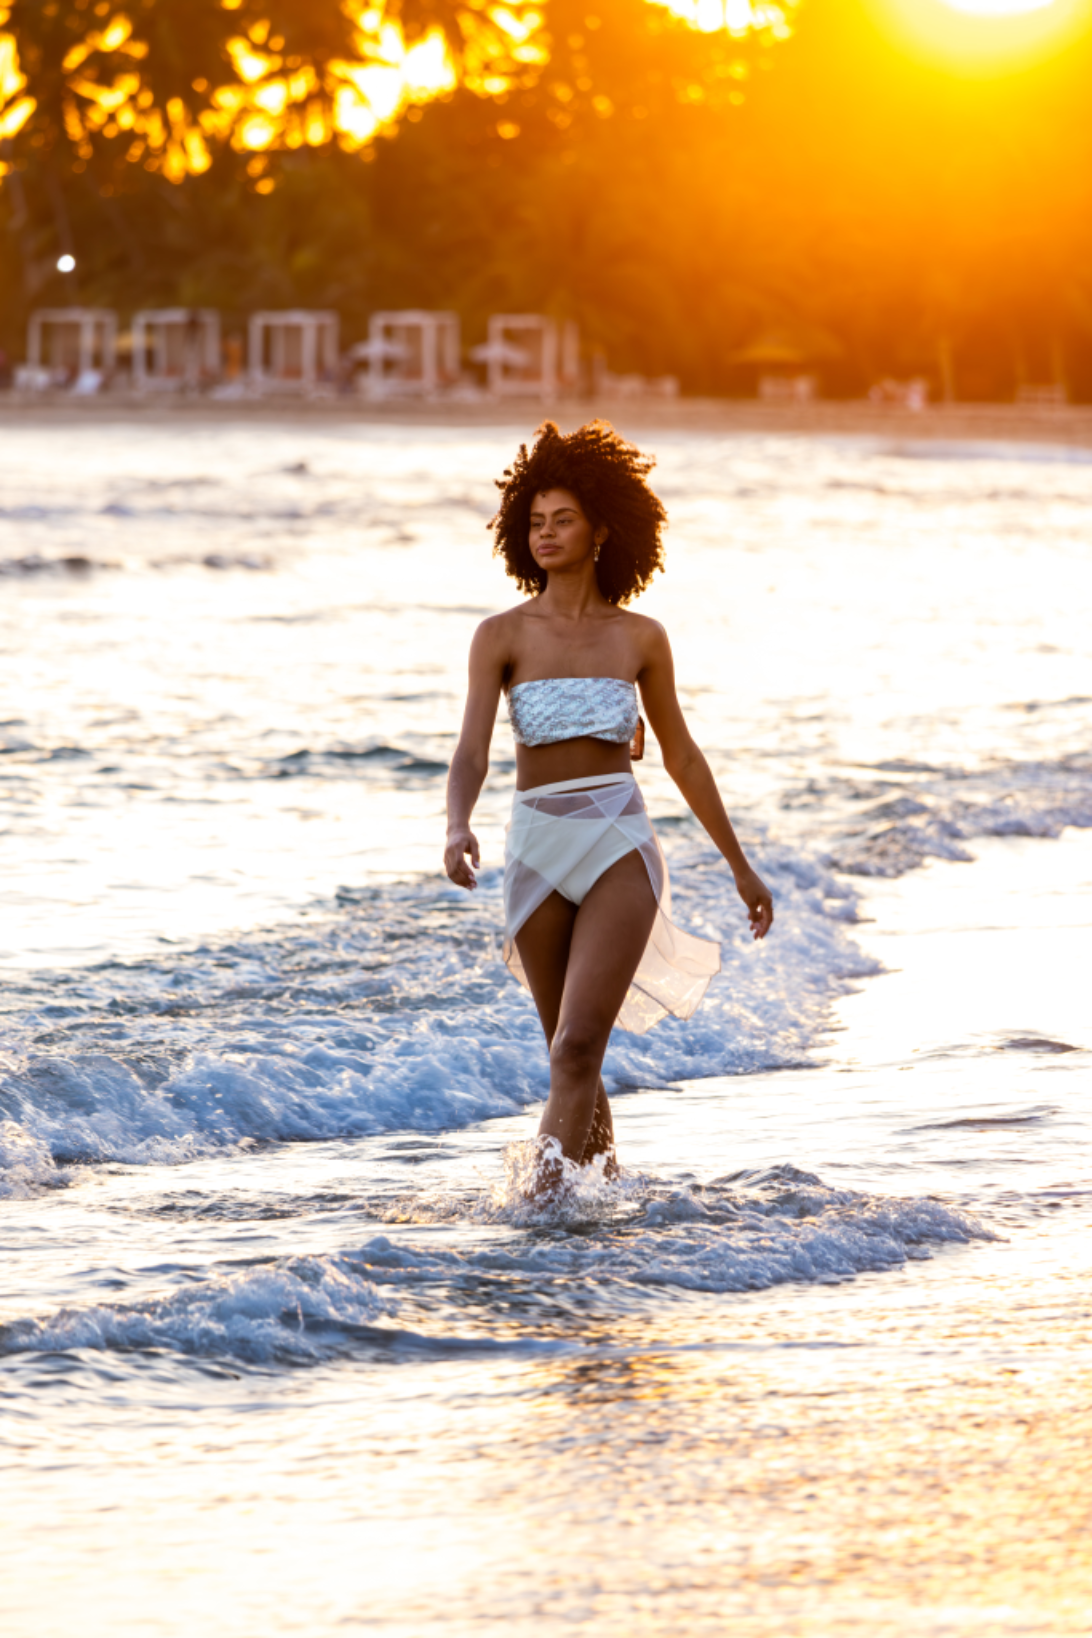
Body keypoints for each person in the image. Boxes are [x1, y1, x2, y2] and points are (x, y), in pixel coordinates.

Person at [444, 421, 773, 1191]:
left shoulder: (640, 638)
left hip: (617, 841)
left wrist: (740, 866)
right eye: (535, 521)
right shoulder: (500, 636)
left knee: (575, 1050)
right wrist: (456, 823)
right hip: (534, 847)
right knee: (571, 1052)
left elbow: (684, 757)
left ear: (599, 529)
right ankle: (601, 1207)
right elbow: (469, 751)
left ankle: (538, 1215)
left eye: (563, 519)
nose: (546, 534)